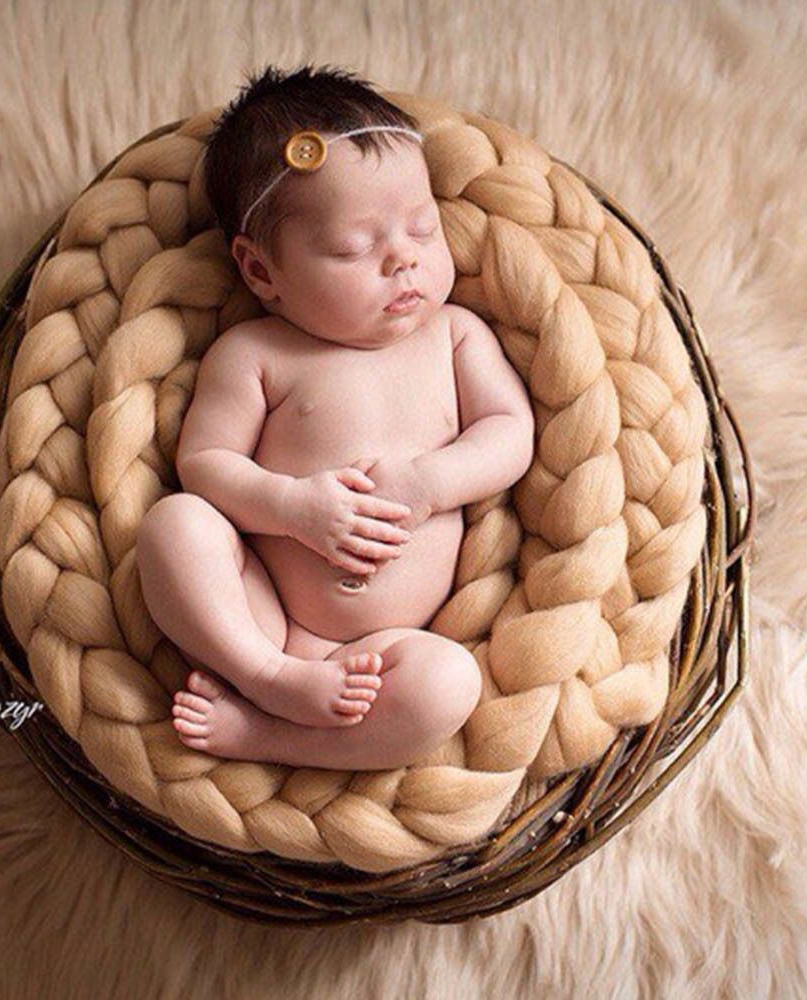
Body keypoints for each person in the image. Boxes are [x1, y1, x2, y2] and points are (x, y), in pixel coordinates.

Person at [136, 64, 535, 770]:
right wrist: (291, 508)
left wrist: (429, 484)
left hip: (385, 652)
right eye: (356, 248)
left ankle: (268, 737)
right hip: (265, 619)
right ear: (262, 273)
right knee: (175, 525)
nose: (404, 260)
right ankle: (268, 680)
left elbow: (511, 433)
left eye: (423, 227)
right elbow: (204, 466)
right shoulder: (255, 353)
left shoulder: (453, 334)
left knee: (450, 686)